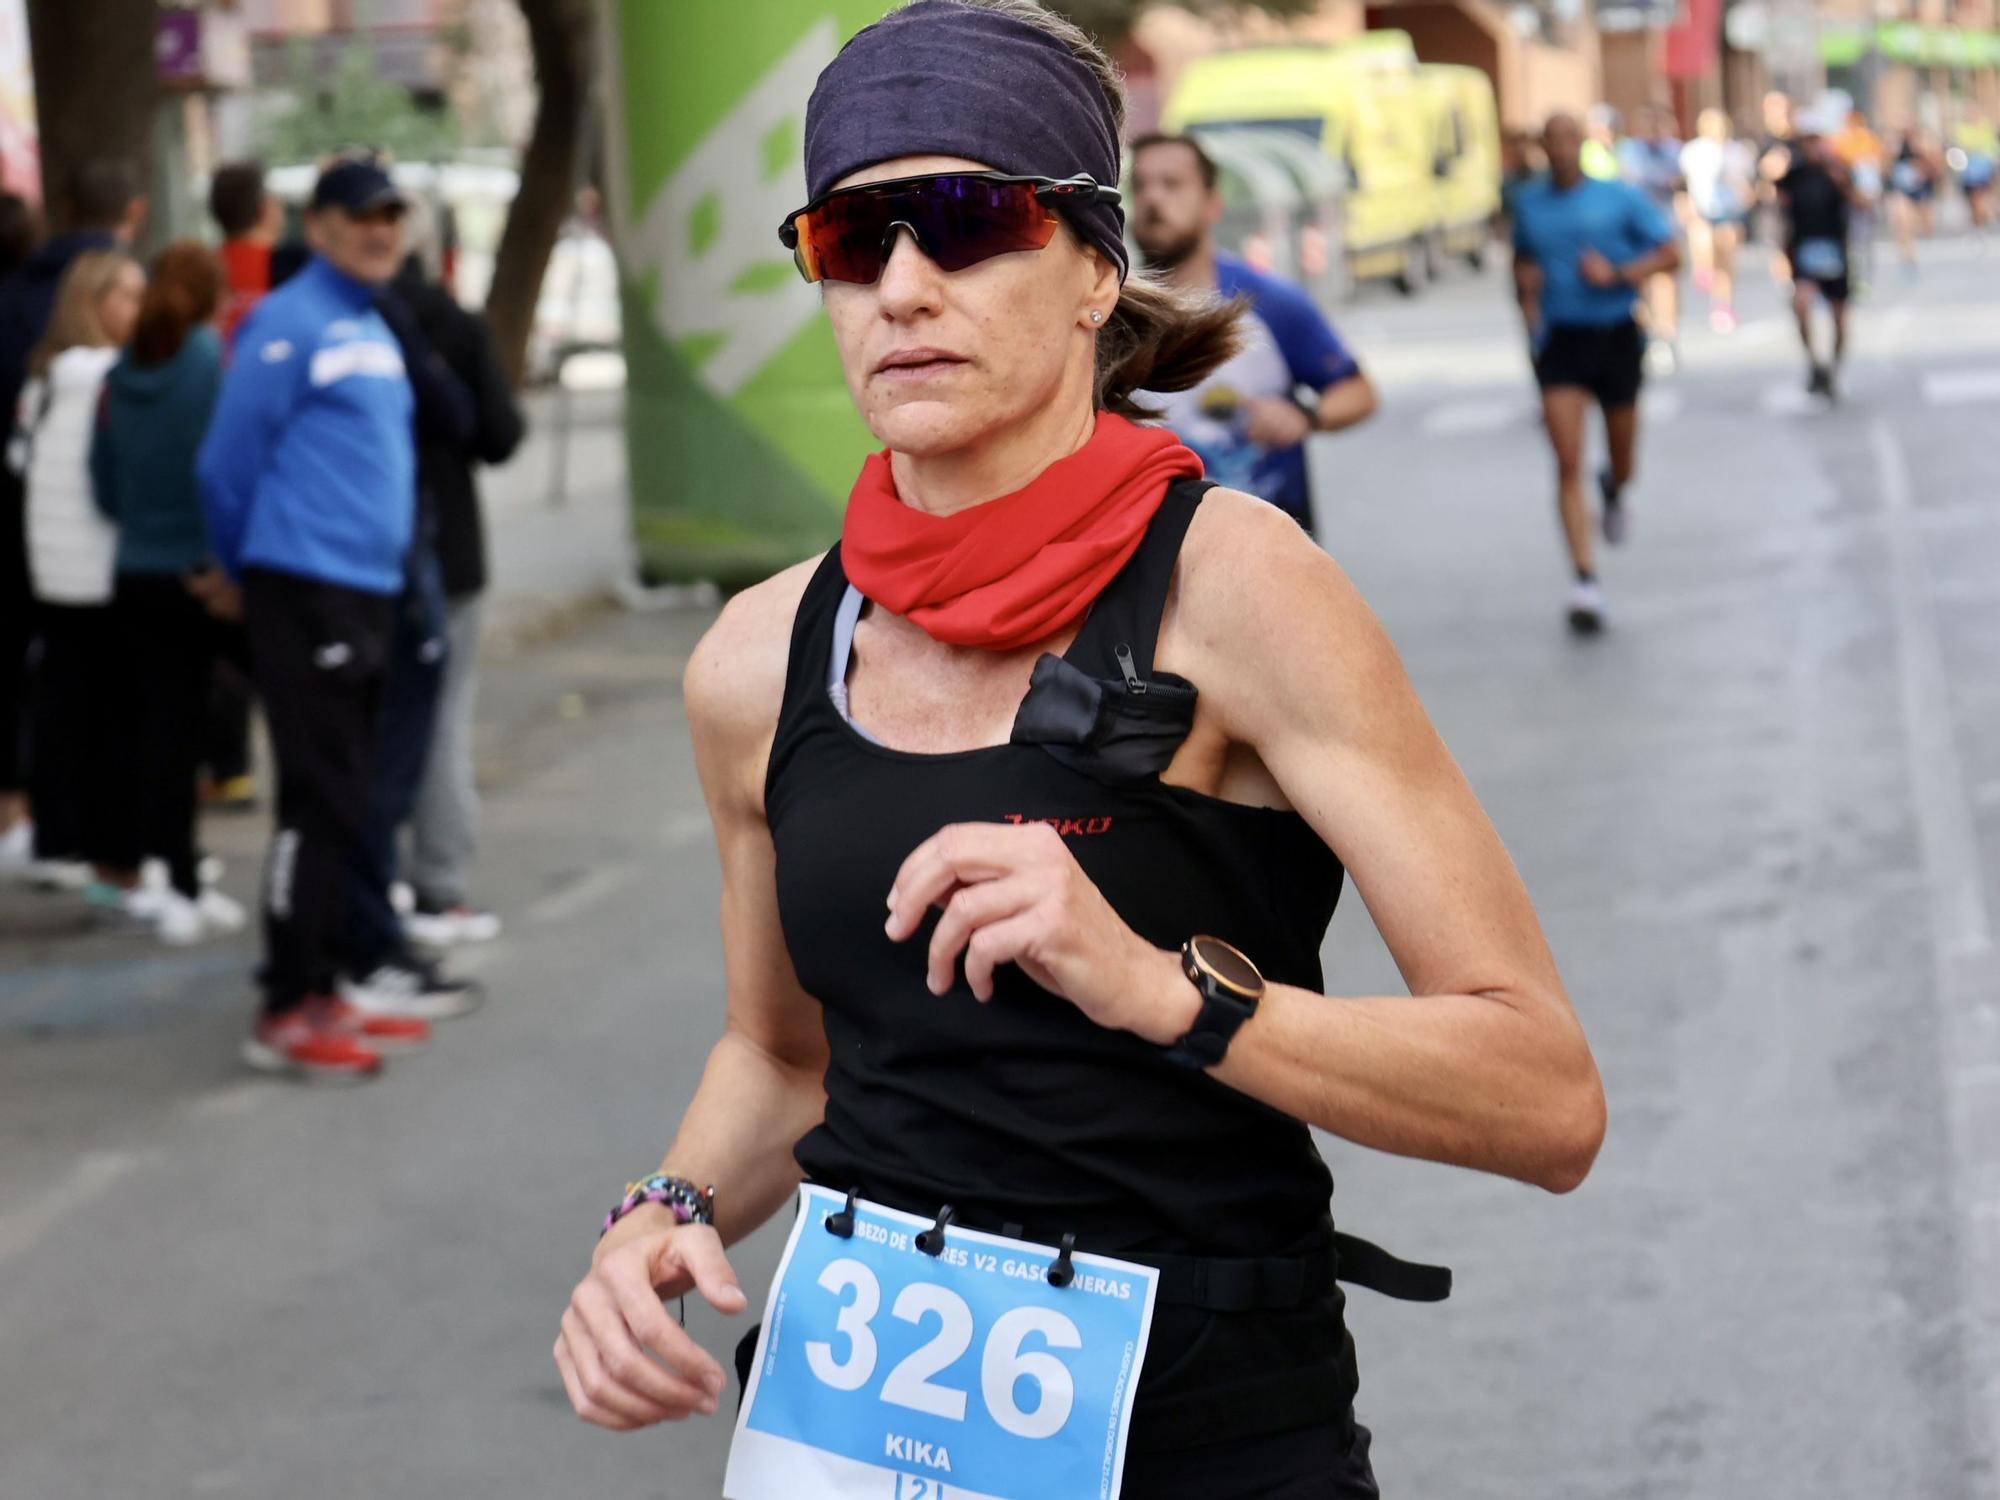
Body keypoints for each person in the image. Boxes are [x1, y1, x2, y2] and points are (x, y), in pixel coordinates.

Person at [555, 5, 1606, 1496]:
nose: (904, 285)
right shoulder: (753, 660)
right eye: (852, 242)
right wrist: (661, 1212)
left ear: (1096, 270)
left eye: (969, 222)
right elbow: (784, 1059)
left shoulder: (1239, 592)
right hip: (853, 1443)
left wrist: (1156, 991)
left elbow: (1545, 1093)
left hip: (1209, 1437)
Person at [197, 154, 436, 1081]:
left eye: (391, 215)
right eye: (360, 216)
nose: (381, 230)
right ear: (321, 228)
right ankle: (284, 1004)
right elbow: (225, 464)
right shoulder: (286, 323)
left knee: (347, 794)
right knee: (317, 796)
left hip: (366, 593)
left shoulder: (367, 321)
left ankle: (325, 979)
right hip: (304, 590)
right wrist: (237, 568)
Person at [91, 242, 246, 943]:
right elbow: (231, 462)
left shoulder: (122, 371)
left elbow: (103, 479)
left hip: (136, 568)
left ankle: (173, 877)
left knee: (162, 729)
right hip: (204, 569)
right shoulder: (211, 360)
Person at [1125, 131, 1376, 535]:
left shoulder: (1269, 303)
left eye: (1172, 184)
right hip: (1146, 558)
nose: (1154, 199)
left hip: (1268, 552)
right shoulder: (1111, 313)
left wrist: (1304, 416)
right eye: (1142, 187)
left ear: (1212, 204)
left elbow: (1360, 393)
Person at [0, 163, 142, 877]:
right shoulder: (96, 375)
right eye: (129, 295)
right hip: (87, 558)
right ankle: (97, 844)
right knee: (96, 704)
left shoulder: (43, 365)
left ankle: (51, 828)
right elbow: (109, 478)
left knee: (56, 693)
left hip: (44, 549)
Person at [391, 213, 525, 947]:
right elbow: (500, 436)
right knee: (443, 720)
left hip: (365, 557)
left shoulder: (349, 321)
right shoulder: (454, 324)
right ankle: (437, 885)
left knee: (373, 725)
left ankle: (377, 878)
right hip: (450, 552)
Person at [1511, 111, 1679, 634]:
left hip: (1616, 334)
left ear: (1582, 144)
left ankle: (1614, 488)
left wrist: (1620, 274)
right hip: (1562, 342)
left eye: (1568, 139)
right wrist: (1529, 303)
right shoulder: (1529, 204)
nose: (1559, 148)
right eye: (1551, 139)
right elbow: (1523, 259)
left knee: (1624, 457)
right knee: (1565, 463)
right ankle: (1585, 580)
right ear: (1542, 146)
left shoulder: (1619, 198)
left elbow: (1672, 252)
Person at [1778, 114, 1857, 401]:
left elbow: (1859, 202)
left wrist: (1841, 179)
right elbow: (1779, 212)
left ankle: (1834, 368)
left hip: (1834, 249)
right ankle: (1813, 362)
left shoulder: (1837, 171)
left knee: (1839, 317)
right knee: (1801, 306)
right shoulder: (1792, 174)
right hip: (1804, 250)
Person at [1617, 104, 1683, 370]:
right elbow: (1628, 182)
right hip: (1636, 228)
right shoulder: (1629, 151)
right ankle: (1644, 332)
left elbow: (1678, 182)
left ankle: (1667, 334)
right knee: (1640, 282)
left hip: (1664, 225)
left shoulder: (1673, 150)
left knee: (1666, 281)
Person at [1679, 108, 1756, 332]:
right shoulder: (1693, 151)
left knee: (1727, 259)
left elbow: (1745, 181)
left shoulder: (1738, 151)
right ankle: (1702, 270)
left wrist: (1746, 197)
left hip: (1729, 211)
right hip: (1702, 210)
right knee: (1704, 247)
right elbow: (1682, 183)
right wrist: (1685, 205)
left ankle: (1723, 305)